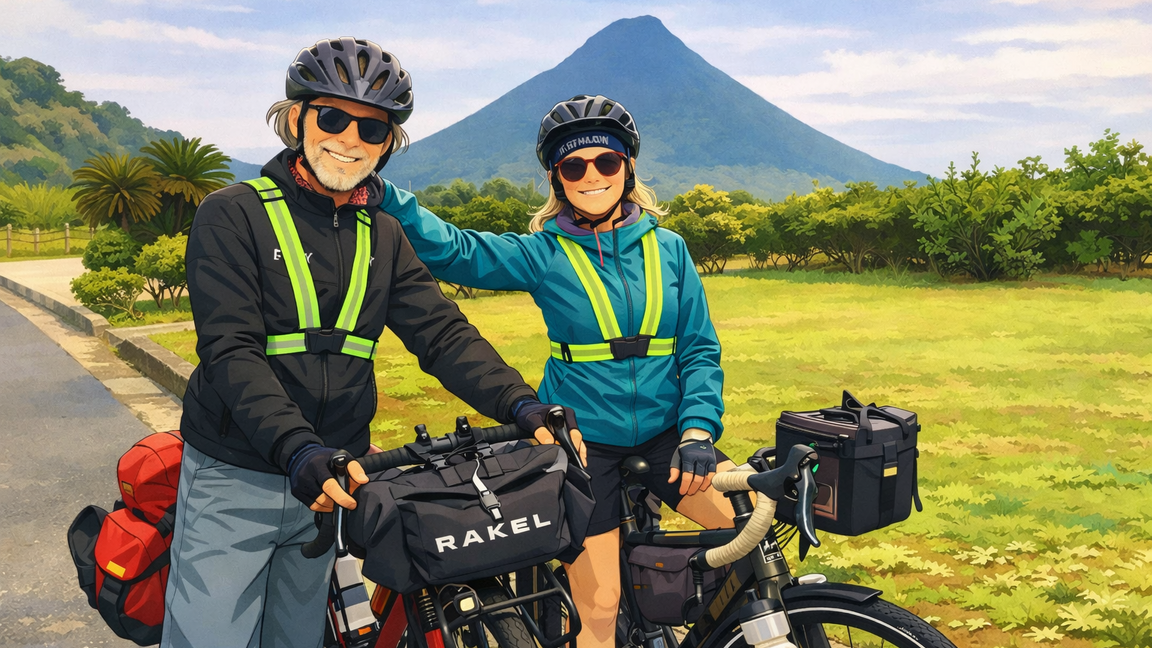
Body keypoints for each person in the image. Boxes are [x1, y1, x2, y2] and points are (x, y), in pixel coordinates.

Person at [166, 38, 579, 648]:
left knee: (297, 639)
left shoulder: (384, 233)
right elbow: (231, 350)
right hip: (237, 475)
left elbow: (441, 334)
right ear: (296, 119)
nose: (350, 138)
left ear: (388, 144)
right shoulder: (233, 214)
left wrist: (521, 405)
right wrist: (297, 448)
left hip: (335, 481)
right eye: (332, 117)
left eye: (373, 128)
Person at [379, 94, 734, 648]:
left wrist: (698, 430)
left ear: (628, 167)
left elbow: (699, 350)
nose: (591, 175)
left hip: (671, 435)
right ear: (557, 179)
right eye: (574, 166)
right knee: (598, 609)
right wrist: (388, 197)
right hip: (584, 444)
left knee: (748, 527)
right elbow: (455, 251)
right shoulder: (544, 253)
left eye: (606, 162)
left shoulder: (671, 249)